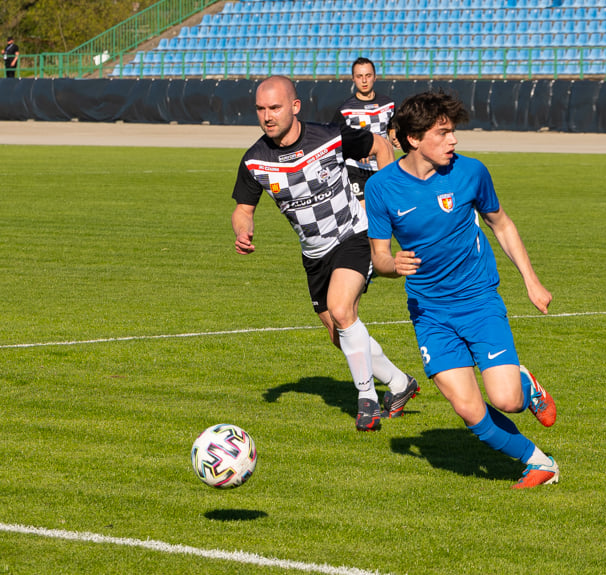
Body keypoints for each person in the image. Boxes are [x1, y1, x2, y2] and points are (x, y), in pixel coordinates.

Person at [365, 91, 559, 489]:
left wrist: (531, 280)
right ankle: (540, 463)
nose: (453, 141)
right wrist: (392, 267)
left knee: (506, 401)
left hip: (478, 299)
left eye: (453, 131)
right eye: (443, 133)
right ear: (414, 138)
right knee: (469, 410)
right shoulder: (381, 188)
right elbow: (380, 257)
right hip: (429, 311)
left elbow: (501, 223)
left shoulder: (471, 172)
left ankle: (525, 384)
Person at [231, 75, 417, 432]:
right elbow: (243, 208)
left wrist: (387, 198)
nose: (267, 116)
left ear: (295, 107)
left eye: (275, 107)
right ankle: (399, 383)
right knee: (339, 332)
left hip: (352, 234)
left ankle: (368, 401)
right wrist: (243, 230)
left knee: (342, 309)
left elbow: (379, 146)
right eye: (261, 109)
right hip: (314, 254)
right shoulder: (255, 161)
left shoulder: (331, 136)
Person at [331, 57, 396, 205]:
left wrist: (394, 135)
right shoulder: (344, 110)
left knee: (387, 209)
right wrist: (355, 151)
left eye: (368, 75)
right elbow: (336, 142)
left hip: (383, 167)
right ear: (353, 79)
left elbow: (392, 126)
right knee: (364, 211)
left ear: (375, 76)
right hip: (356, 169)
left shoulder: (389, 104)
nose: (364, 80)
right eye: (360, 76)